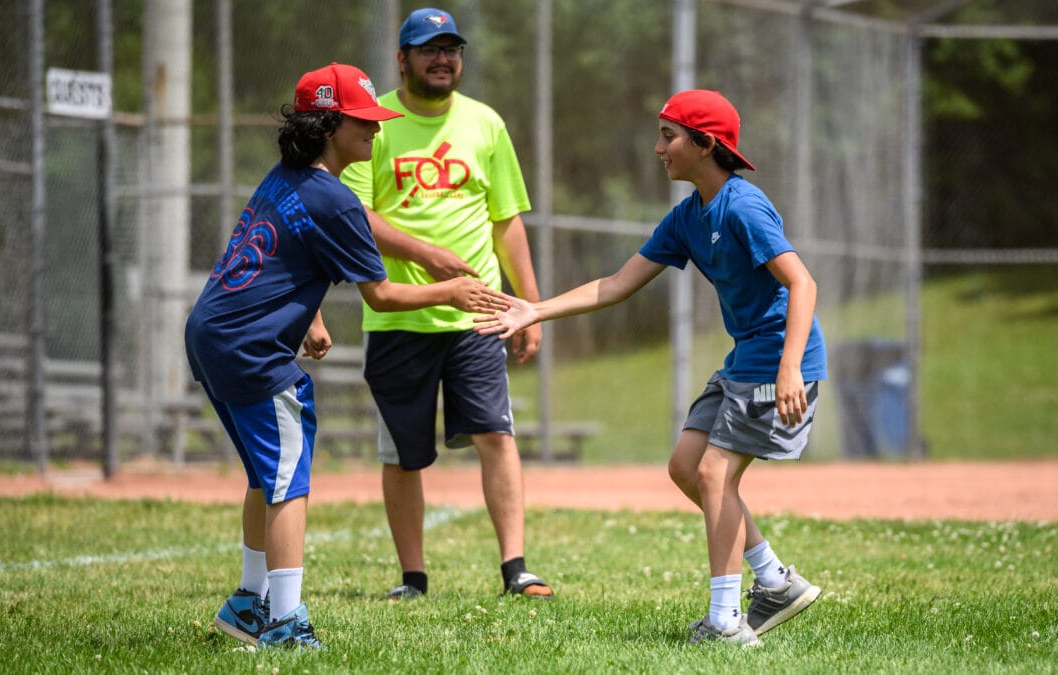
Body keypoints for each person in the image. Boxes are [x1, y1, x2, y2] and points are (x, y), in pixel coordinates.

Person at [475, 90, 826, 646]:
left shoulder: (743, 205)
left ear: (706, 143)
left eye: (669, 136)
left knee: (715, 475)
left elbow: (802, 283)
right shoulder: (689, 216)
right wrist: (533, 308)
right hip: (746, 357)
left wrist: (788, 369)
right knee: (688, 466)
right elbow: (615, 284)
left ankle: (727, 623)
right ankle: (776, 582)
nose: (658, 147)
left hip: (779, 358)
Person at [184, 62, 511, 650]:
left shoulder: (288, 176)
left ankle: (246, 605)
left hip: (211, 332)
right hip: (252, 347)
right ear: (329, 125)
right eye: (363, 121)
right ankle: (284, 623)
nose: (376, 130)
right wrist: (452, 291)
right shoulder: (334, 199)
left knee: (266, 474)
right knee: (288, 481)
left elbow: (280, 252)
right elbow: (381, 295)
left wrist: (307, 314)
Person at [339, 8, 553, 600]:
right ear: (402, 59)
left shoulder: (486, 123)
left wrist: (528, 305)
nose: (442, 59)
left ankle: (517, 569)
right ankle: (413, 578)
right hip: (398, 314)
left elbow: (505, 220)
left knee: (496, 436)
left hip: (478, 314)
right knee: (403, 455)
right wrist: (426, 253)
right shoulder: (373, 123)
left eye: (451, 49)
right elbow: (356, 213)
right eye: (428, 49)